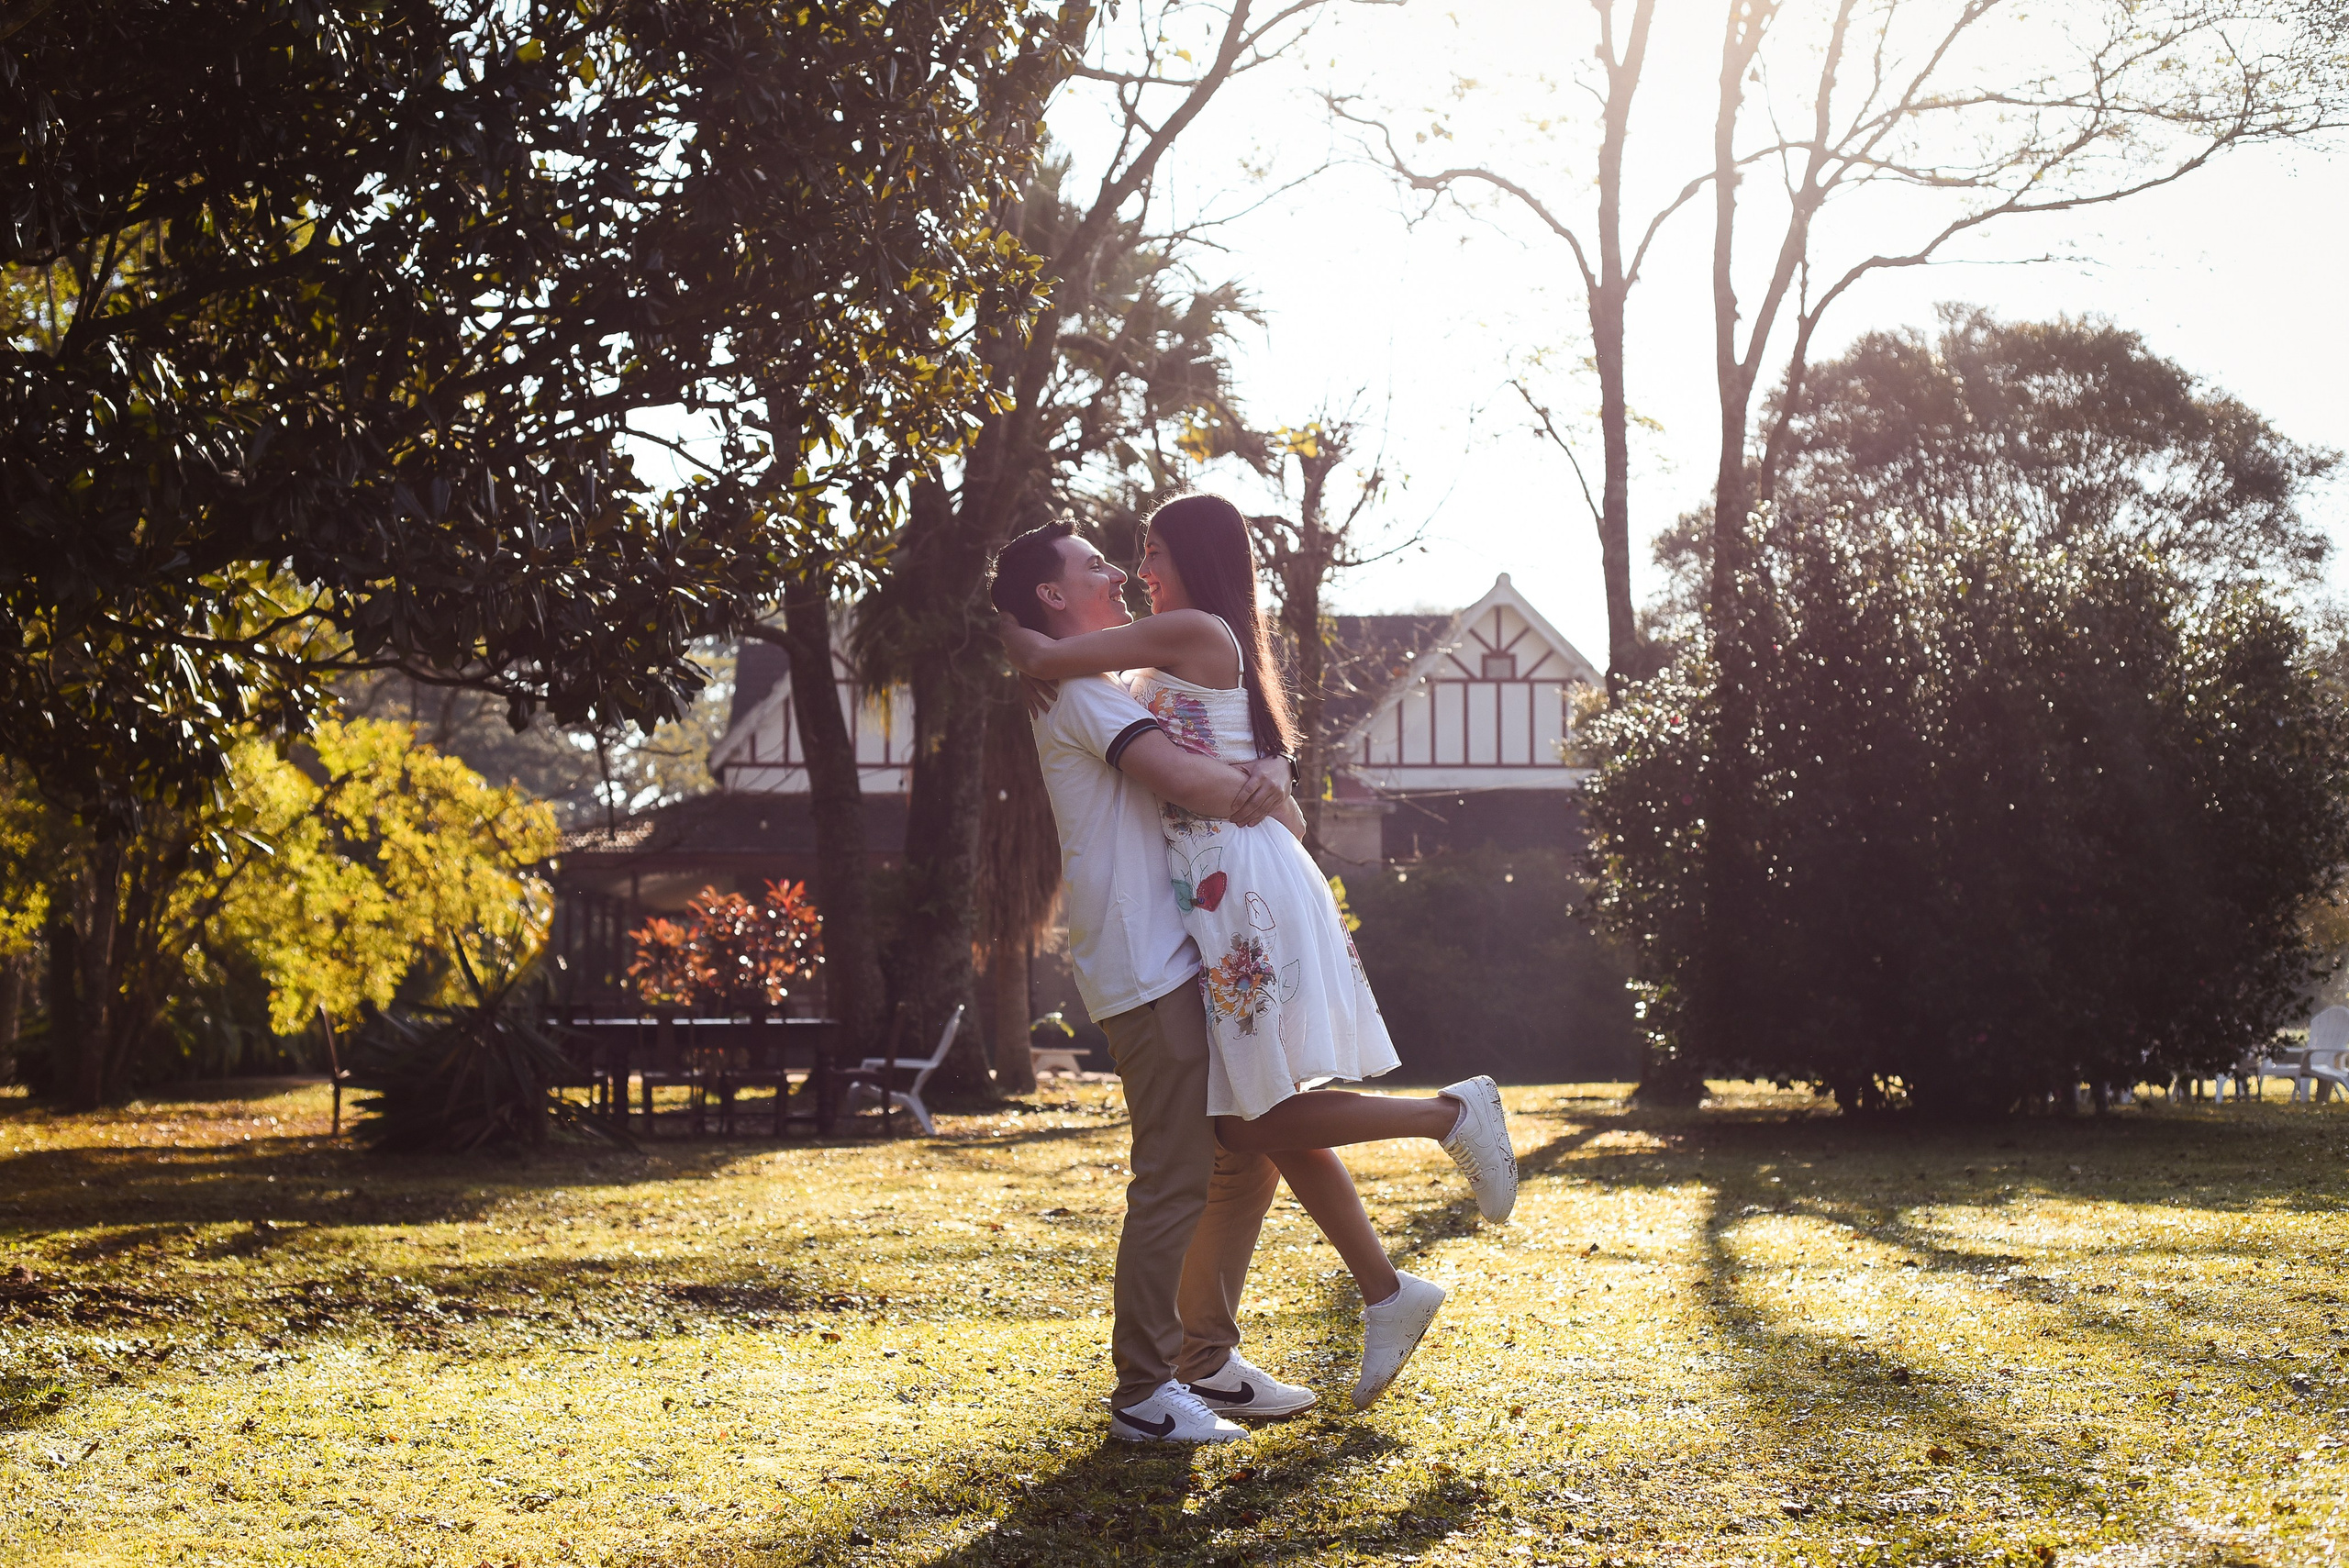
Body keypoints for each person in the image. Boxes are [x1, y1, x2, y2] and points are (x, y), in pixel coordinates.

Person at [995, 495, 1518, 1418]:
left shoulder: (1155, 648)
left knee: (1249, 1125)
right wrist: (1269, 780)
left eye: (1149, 550)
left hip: (1228, 899)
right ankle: (1293, 1322)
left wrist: (1268, 784)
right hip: (1203, 910)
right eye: (1105, 563)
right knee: (1248, 1129)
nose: (1126, 568)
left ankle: (1441, 1127)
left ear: (1192, 556)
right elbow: (1193, 765)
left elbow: (1111, 702)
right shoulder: (1113, 680)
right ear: (1051, 589)